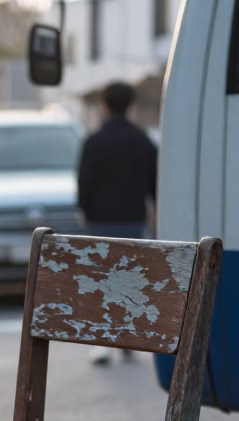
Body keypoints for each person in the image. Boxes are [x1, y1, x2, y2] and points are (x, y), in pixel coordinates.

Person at [78, 81, 158, 364]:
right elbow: (154, 185)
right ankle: (126, 338)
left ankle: (103, 344)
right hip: (133, 220)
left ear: (104, 106)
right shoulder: (143, 140)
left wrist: (85, 211)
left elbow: (84, 185)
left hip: (100, 221)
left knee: (100, 280)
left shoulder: (94, 141)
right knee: (128, 281)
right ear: (130, 106)